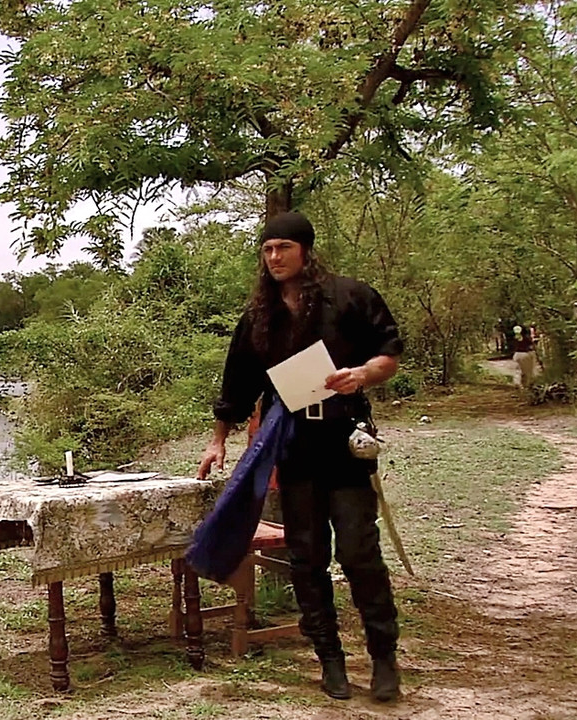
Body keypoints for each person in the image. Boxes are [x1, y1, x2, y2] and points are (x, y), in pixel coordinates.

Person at [196, 211, 404, 703]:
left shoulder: (350, 297)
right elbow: (237, 386)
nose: (275, 258)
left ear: (305, 250)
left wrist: (362, 374)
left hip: (344, 442)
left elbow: (388, 354)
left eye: (284, 248)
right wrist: (217, 440)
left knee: (359, 552)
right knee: (308, 558)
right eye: (267, 250)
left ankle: (383, 658)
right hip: (294, 448)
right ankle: (330, 660)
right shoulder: (258, 317)